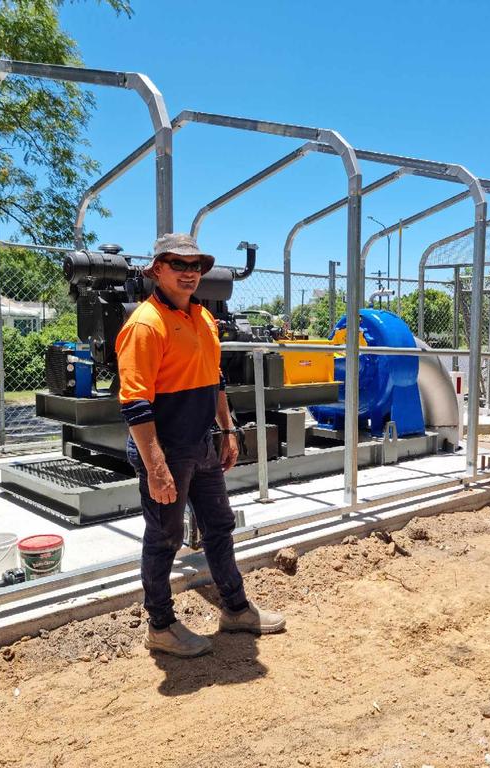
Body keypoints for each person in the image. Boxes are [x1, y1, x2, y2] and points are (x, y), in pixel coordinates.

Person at [116, 233, 285, 657]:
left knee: (219, 526)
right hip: (166, 452)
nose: (189, 273)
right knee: (164, 537)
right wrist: (156, 466)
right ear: (157, 269)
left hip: (202, 444)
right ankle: (160, 625)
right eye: (178, 264)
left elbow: (216, 381)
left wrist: (227, 431)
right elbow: (134, 402)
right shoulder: (145, 323)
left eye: (195, 266)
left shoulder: (203, 318)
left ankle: (235, 608)